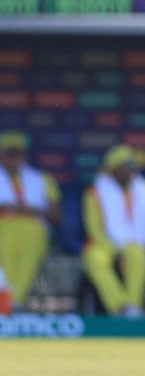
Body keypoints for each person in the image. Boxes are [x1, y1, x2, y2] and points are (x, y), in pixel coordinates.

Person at [81, 144, 145, 316]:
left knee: (138, 257)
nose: (131, 171)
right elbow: (93, 228)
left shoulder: (140, 189)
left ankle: (133, 307)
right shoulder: (94, 192)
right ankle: (118, 306)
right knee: (95, 260)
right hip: (103, 241)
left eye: (132, 167)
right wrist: (114, 247)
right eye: (126, 167)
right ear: (114, 169)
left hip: (131, 242)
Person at [0, 131, 61, 310]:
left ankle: (9, 303)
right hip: (3, 227)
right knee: (6, 256)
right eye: (8, 153)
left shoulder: (42, 179)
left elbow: (56, 216)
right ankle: (9, 303)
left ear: (24, 155)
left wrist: (24, 210)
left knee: (28, 259)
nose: (13, 158)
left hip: (33, 229)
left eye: (17, 153)